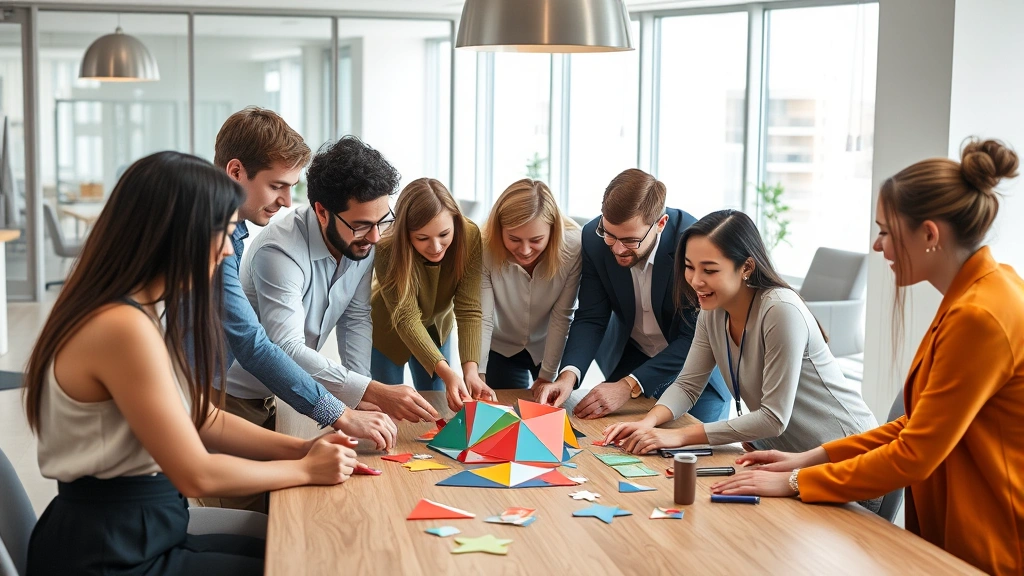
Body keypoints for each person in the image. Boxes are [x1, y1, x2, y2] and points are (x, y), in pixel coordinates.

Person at [24, 151, 362, 575]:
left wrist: (303, 447)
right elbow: (196, 475)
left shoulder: (141, 310)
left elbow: (201, 418)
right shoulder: (120, 326)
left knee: (300, 552)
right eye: (221, 232)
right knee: (301, 563)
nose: (225, 250)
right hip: (110, 552)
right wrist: (304, 468)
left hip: (143, 529)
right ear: (175, 233)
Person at [712, 139, 1024, 576]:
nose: (877, 247)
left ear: (929, 234)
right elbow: (917, 425)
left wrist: (796, 482)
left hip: (989, 544)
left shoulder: (980, 315)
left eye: (884, 231)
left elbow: (915, 452)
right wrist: (807, 459)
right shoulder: (983, 291)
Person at [602, 209, 877, 457]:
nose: (696, 280)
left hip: (848, 454)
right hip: (787, 456)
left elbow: (772, 418)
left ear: (746, 267)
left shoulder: (780, 310)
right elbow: (687, 385)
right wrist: (646, 424)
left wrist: (677, 436)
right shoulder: (711, 312)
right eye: (689, 267)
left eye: (709, 270)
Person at [210, 108, 396, 457]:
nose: (285, 201)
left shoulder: (232, 235)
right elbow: (257, 345)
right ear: (236, 171)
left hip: (262, 397)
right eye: (276, 186)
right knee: (274, 503)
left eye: (290, 187)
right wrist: (345, 407)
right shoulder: (226, 241)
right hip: (214, 400)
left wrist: (357, 400)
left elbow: (355, 317)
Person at [227, 136, 440, 433]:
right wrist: (371, 390)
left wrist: (361, 399)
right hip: (233, 397)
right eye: (362, 225)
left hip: (279, 393)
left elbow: (355, 319)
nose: (376, 237)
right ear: (322, 212)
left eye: (383, 221)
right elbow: (286, 347)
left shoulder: (362, 242)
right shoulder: (279, 250)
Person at [533, 168, 729, 422]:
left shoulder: (693, 243)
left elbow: (695, 337)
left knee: (691, 449)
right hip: (633, 359)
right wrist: (568, 377)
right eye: (610, 234)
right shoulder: (594, 238)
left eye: (629, 240)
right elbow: (592, 315)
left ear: (660, 224)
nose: (616, 248)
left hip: (696, 372)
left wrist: (627, 386)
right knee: (600, 437)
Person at [371, 178, 496, 412]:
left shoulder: (469, 235)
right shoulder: (387, 246)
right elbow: (406, 317)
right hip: (386, 331)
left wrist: (471, 371)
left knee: (438, 404)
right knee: (389, 407)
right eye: (422, 238)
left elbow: (469, 307)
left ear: (455, 222)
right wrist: (447, 371)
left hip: (437, 327)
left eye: (444, 234)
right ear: (405, 234)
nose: (436, 247)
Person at [478, 178, 582, 389]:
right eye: (514, 239)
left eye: (536, 240)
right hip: (502, 348)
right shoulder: (483, 249)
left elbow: (562, 316)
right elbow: (483, 317)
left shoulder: (574, 248)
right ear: (500, 230)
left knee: (554, 413)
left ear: (553, 231)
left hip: (551, 346)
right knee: (503, 413)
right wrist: (478, 374)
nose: (525, 250)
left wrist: (547, 376)